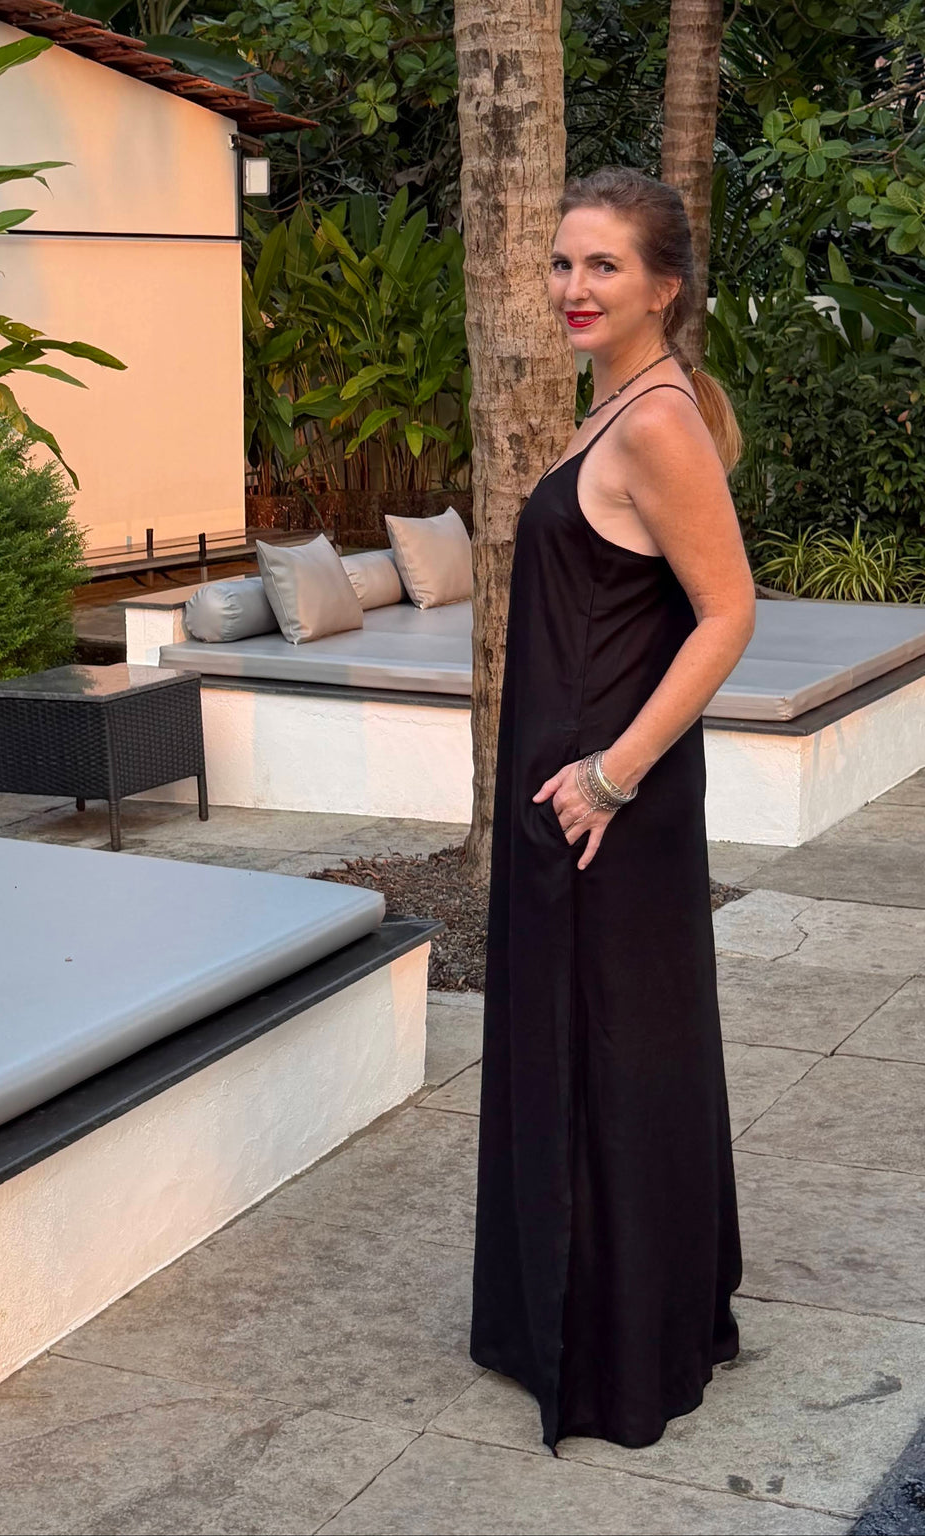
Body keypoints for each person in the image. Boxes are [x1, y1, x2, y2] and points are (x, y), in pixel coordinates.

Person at [470, 165, 755, 1454]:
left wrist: (610, 775)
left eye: (603, 269)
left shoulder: (656, 423)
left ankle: (616, 1348)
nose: (574, 289)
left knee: (610, 1055)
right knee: (603, 1047)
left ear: (663, 289)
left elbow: (728, 614)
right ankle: (625, 1313)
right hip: (577, 798)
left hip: (604, 809)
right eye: (562, 264)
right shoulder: (626, 399)